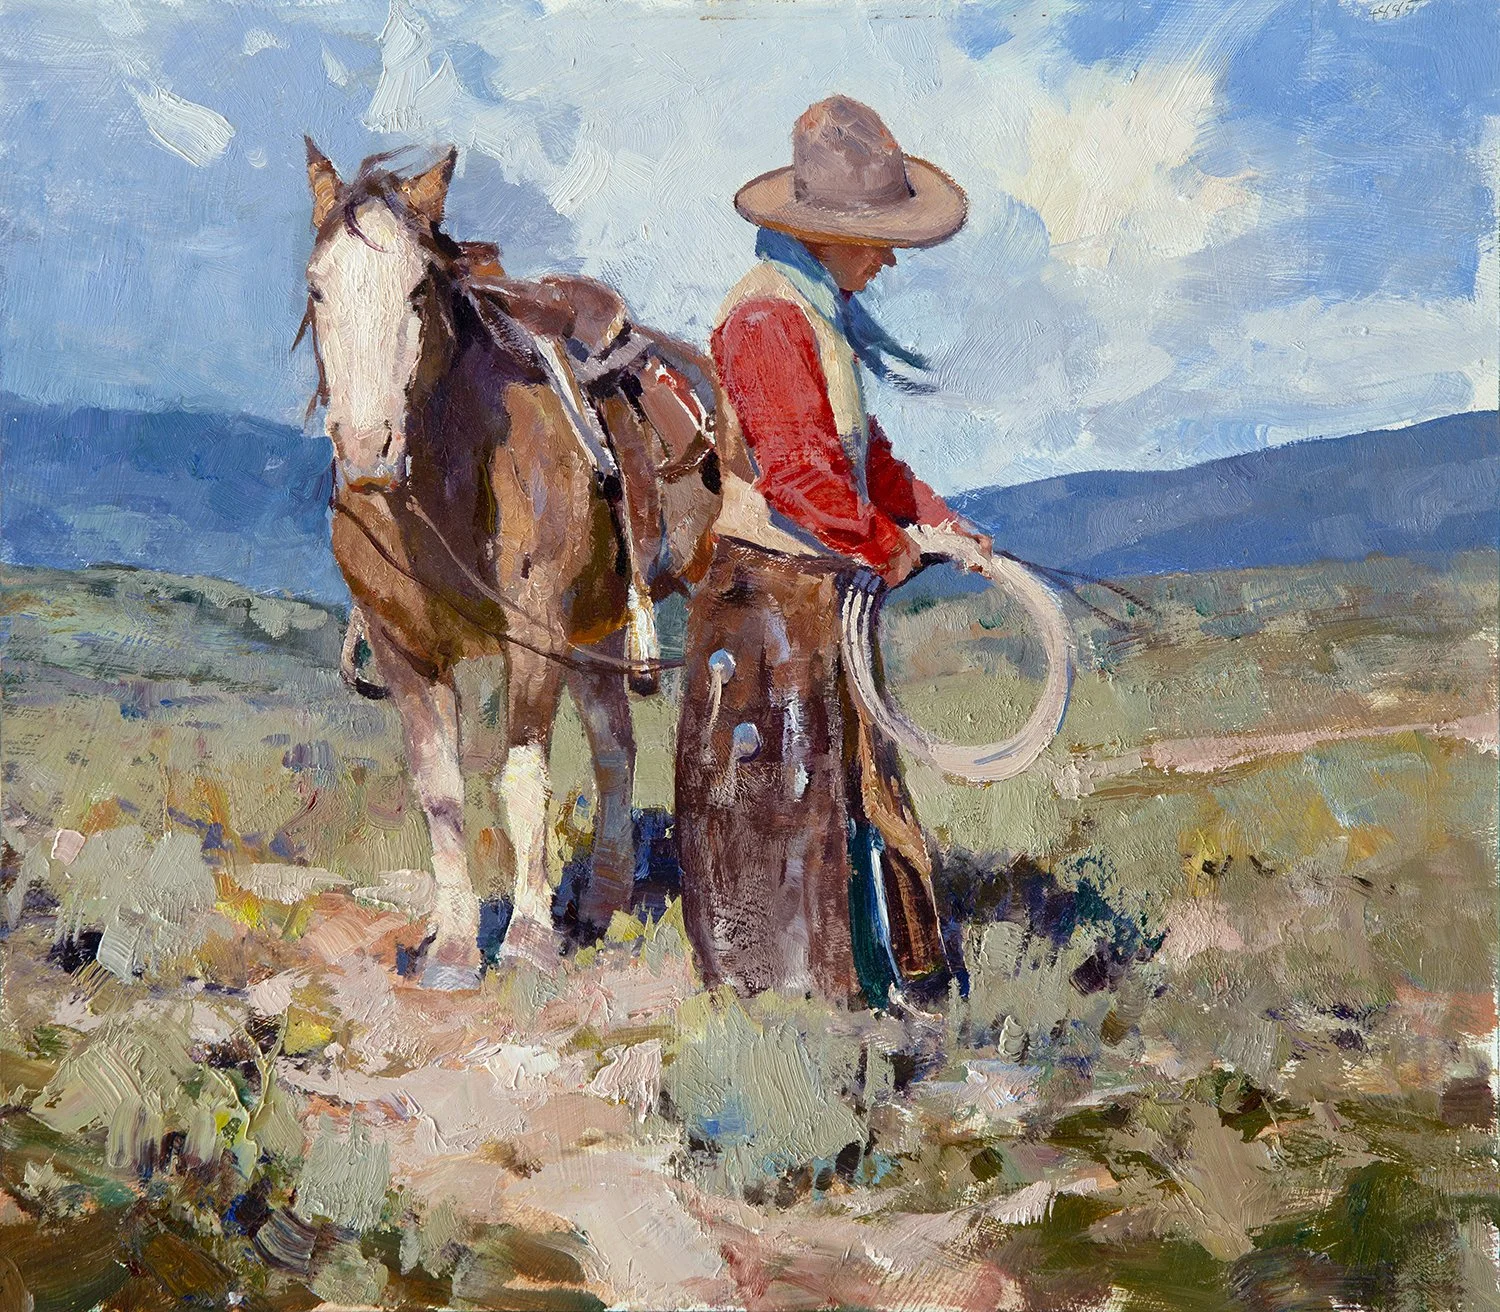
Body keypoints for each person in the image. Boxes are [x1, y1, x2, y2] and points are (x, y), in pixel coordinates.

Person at [676, 95, 992, 1007]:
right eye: (879, 239)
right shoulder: (765, 318)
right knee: (787, 796)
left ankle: (878, 979)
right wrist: (889, 547)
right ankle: (798, 1003)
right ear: (829, 234)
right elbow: (801, 478)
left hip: (815, 595)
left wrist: (940, 522)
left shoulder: (812, 315)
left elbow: (863, 458)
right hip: (769, 603)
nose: (888, 258)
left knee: (847, 783)